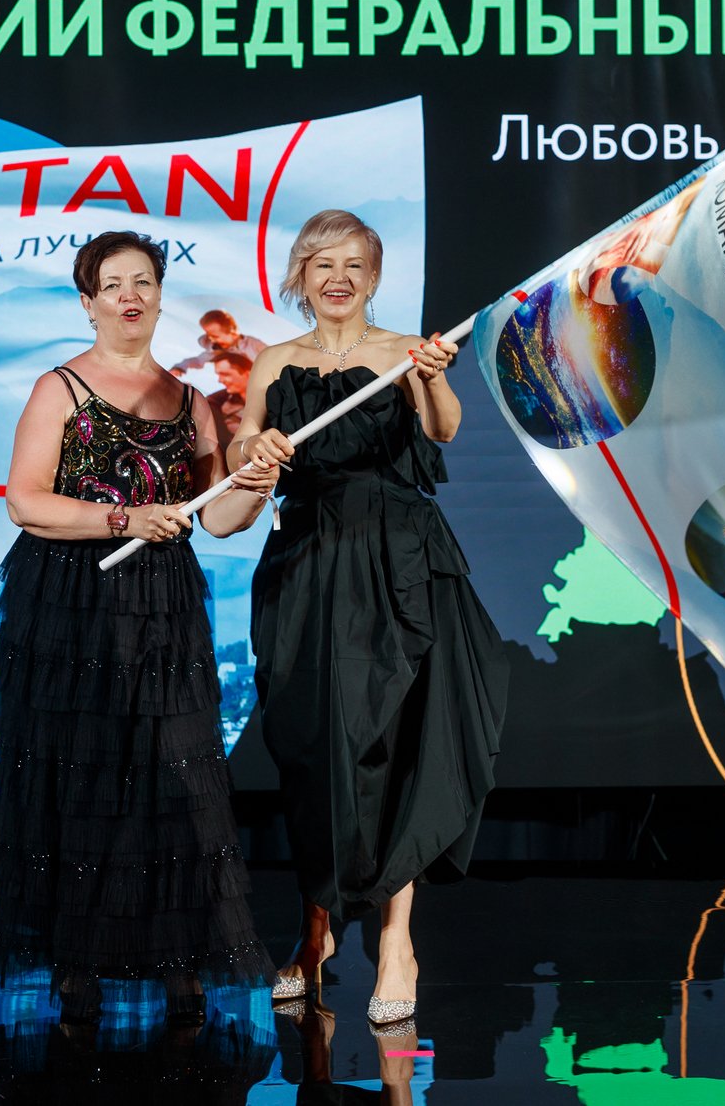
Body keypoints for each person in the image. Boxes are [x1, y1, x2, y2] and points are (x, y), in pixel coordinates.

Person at [0, 230, 280, 1027]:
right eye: (112, 284)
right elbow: (24, 501)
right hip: (69, 601)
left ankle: (180, 960)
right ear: (88, 303)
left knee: (173, 775)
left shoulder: (192, 402)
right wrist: (125, 519)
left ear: (158, 295)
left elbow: (218, 518)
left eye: (143, 281)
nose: (130, 295)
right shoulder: (59, 388)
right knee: (80, 776)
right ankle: (77, 967)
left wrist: (257, 481)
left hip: (162, 605)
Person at [228, 209, 510, 1028]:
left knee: (396, 745)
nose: (339, 278)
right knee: (314, 752)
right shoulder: (275, 362)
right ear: (301, 276)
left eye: (354, 264)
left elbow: (442, 429)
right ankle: (314, 933)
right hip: (307, 565)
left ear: (375, 277)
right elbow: (244, 443)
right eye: (323, 264)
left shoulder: (405, 352)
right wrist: (254, 451)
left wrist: (433, 376)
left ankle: (396, 943)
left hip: (399, 562)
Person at [169, 309, 269, 375]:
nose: (212, 339)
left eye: (215, 336)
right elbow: (198, 361)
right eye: (209, 336)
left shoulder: (253, 344)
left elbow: (273, 356)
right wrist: (180, 368)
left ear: (232, 332)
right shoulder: (217, 350)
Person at [203, 349, 252, 450]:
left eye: (225, 374)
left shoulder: (274, 399)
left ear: (247, 373)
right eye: (218, 375)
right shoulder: (220, 405)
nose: (220, 380)